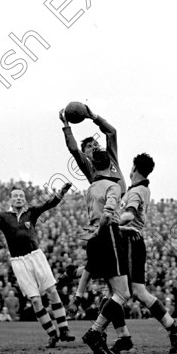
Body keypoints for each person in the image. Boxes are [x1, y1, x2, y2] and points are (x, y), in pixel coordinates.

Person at [0, 183, 74, 347]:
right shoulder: (2, 217)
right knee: (36, 300)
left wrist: (61, 192)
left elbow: (50, 204)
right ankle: (52, 334)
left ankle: (64, 329)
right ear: (10, 199)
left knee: (52, 290)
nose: (18, 198)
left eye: (21, 196)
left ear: (24, 200)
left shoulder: (31, 212)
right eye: (15, 196)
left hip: (36, 256)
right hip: (18, 261)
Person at [110, 153, 177, 354]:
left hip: (129, 242)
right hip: (130, 242)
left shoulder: (136, 191)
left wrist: (110, 222)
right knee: (127, 291)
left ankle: (123, 335)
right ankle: (168, 327)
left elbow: (128, 215)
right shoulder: (140, 189)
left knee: (131, 291)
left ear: (134, 168)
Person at [58, 105, 126, 311]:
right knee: (117, 277)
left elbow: (112, 132)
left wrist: (93, 116)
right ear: (86, 154)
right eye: (89, 147)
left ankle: (76, 274)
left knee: (112, 275)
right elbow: (73, 149)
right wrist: (66, 126)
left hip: (118, 213)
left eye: (95, 143)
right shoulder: (91, 168)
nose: (94, 147)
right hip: (106, 218)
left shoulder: (110, 157)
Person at [80, 150, 127, 354]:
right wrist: (103, 230)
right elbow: (108, 214)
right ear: (110, 166)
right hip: (108, 235)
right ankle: (95, 331)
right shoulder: (113, 186)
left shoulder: (90, 188)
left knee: (112, 291)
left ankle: (102, 334)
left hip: (92, 237)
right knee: (122, 293)